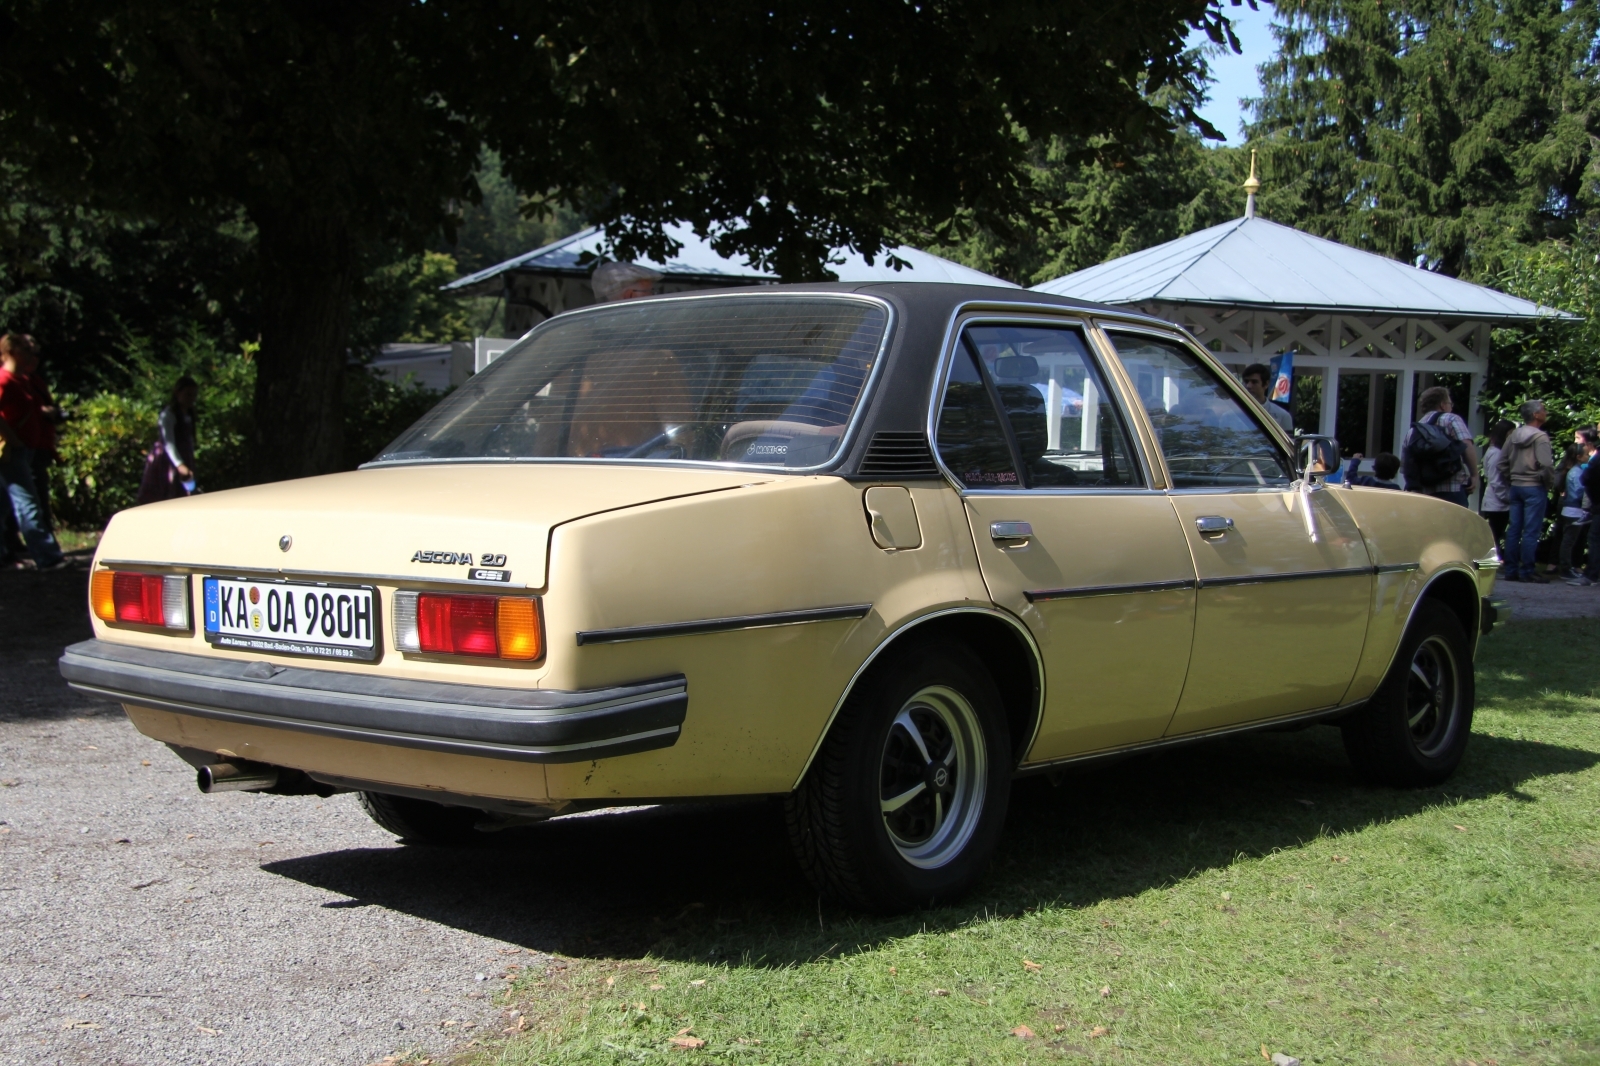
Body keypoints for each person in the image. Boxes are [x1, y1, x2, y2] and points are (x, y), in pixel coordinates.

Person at [0, 332, 66, 569]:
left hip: (25, 449)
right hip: (11, 453)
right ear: (12, 351)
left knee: (3, 505)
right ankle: (48, 558)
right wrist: (13, 438)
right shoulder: (4, 380)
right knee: (28, 503)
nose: (32, 355)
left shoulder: (22, 379)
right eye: (26, 350)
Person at [1499, 399, 1556, 583]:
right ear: (1536, 415)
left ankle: (1511, 570)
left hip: (1516, 486)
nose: (1546, 412)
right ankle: (1527, 571)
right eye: (1543, 410)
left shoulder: (1513, 435)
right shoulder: (1540, 438)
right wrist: (1547, 482)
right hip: (1534, 487)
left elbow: (1501, 462)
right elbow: (1546, 465)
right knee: (1531, 530)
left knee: (1514, 529)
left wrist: (1511, 478)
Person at [1401, 386, 1480, 506]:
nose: (1451, 406)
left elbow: (1406, 464)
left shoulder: (1414, 430)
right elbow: (1466, 445)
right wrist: (1474, 475)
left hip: (1425, 493)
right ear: (1443, 405)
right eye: (1450, 403)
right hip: (1452, 489)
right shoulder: (1451, 419)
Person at [135, 377, 199, 505]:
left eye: (194, 395)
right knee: (163, 496)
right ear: (177, 393)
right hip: (167, 461)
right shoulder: (168, 414)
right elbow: (169, 443)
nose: (191, 398)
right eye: (188, 394)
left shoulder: (189, 414)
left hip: (183, 457)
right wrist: (179, 465)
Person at [1553, 436, 1594, 578]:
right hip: (1574, 510)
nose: (1588, 457)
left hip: (1571, 509)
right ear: (1578, 457)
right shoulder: (1576, 473)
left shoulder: (1573, 471)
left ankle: (1567, 567)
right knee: (1569, 542)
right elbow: (1578, 493)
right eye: (1586, 455)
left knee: (1569, 541)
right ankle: (1566, 569)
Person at [1479, 418, 1514, 559]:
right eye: (1510, 433)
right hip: (1497, 502)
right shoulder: (1496, 454)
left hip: (1497, 500)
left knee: (1496, 533)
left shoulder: (1496, 451)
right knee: (1495, 534)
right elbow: (1495, 480)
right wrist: (1507, 497)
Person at [1241, 363, 1294, 435]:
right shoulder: (1230, 414)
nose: (1248, 386)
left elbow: (1287, 444)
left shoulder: (1282, 415)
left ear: (1266, 384)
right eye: (1246, 381)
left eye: (1254, 382)